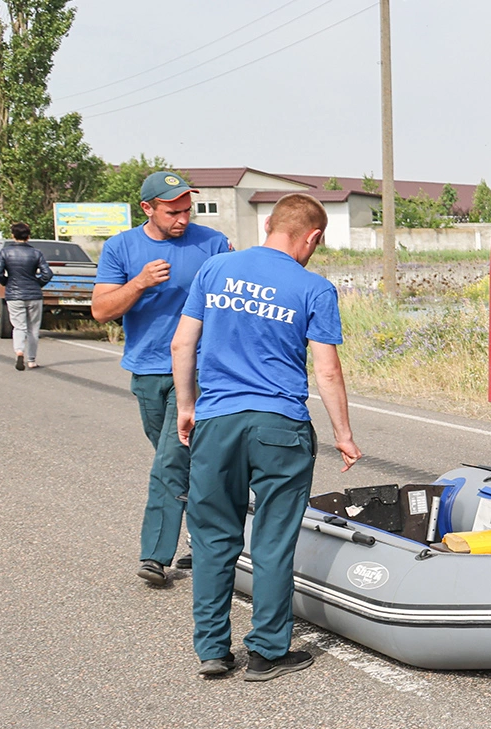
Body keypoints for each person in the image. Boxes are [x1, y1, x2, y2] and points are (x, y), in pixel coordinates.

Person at [172, 192, 362, 681]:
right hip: (280, 427)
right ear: (312, 237)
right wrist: (343, 434)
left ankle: (213, 651)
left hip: (217, 422)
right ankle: (267, 652)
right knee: (273, 541)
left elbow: (182, 344)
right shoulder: (314, 288)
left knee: (213, 539)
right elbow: (327, 371)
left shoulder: (215, 270)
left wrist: (188, 407)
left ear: (268, 226)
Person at [92, 171, 231, 586]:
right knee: (185, 462)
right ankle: (212, 541)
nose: (183, 219)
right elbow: (101, 311)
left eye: (188, 210)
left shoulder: (213, 244)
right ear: (147, 208)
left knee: (171, 459)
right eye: (173, 212)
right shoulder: (120, 247)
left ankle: (155, 554)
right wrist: (139, 283)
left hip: (200, 369)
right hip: (148, 370)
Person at [0, 222, 52, 371]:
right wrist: (37, 284)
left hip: (14, 295)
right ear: (28, 236)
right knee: (33, 329)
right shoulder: (36, 253)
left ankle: (19, 351)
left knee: (19, 326)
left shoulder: (5, 252)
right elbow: (47, 274)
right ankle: (31, 360)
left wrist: (7, 282)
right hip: (34, 295)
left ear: (13, 235)